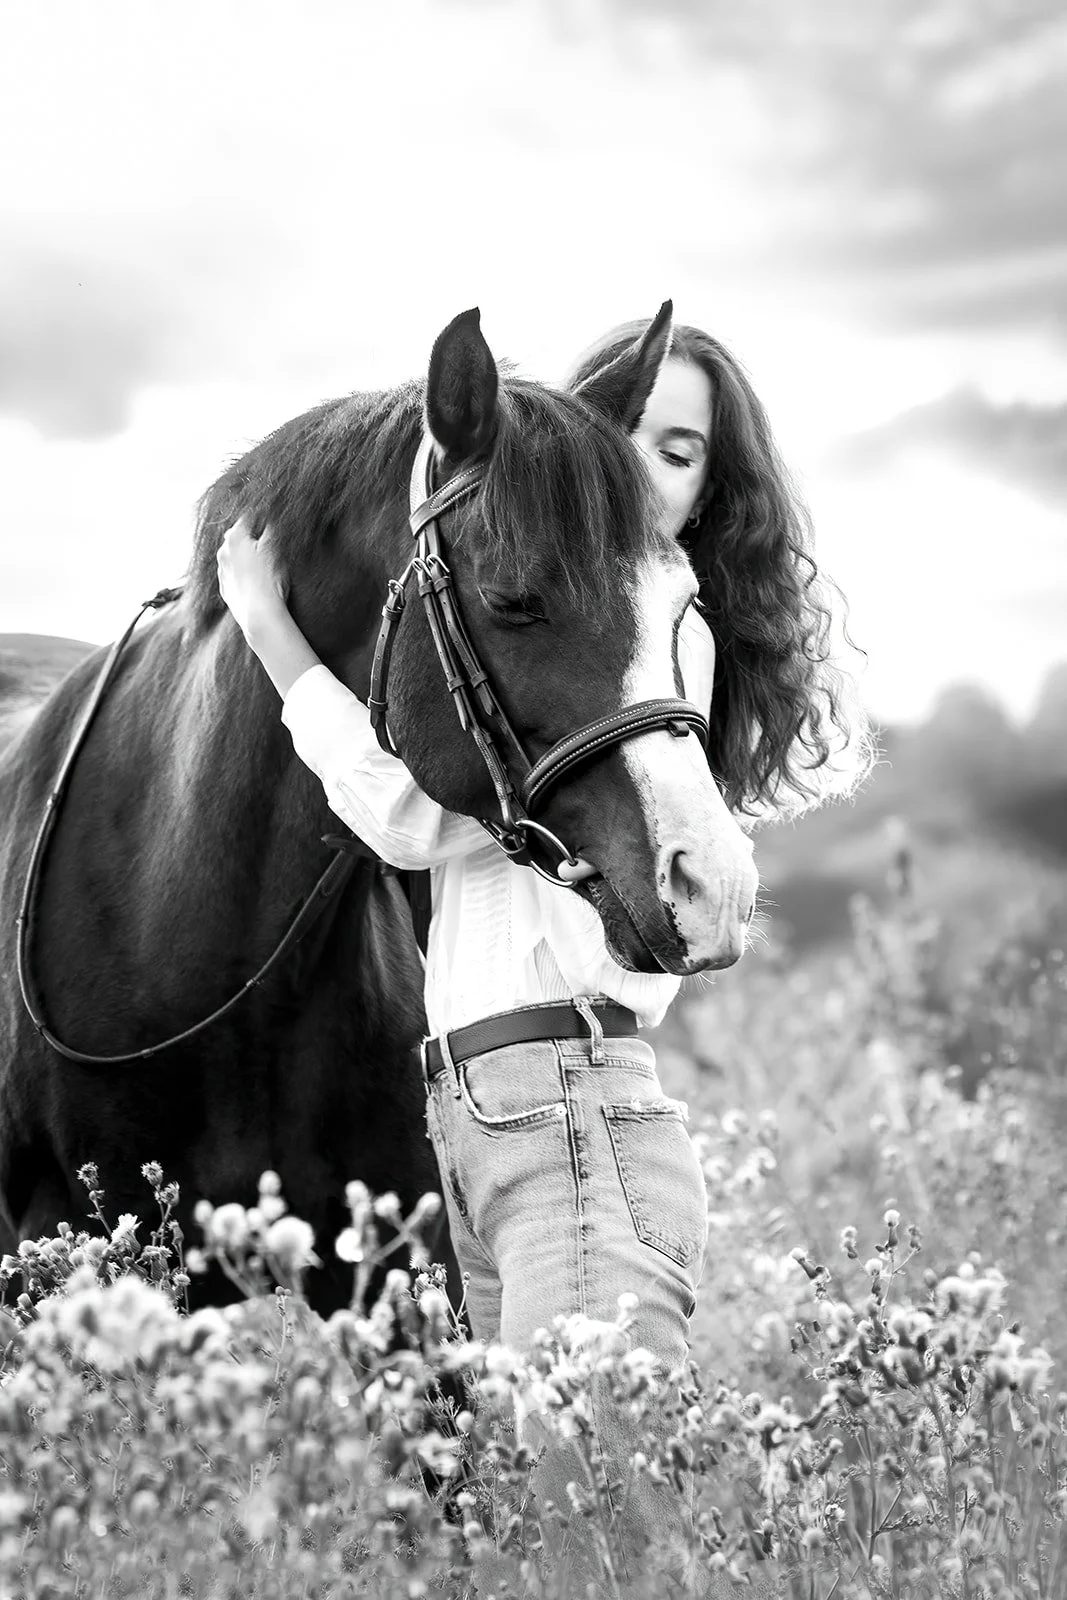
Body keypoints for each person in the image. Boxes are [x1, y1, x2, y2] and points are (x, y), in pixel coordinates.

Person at [216, 318, 863, 1587]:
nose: (647, 466)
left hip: (572, 1120)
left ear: (708, 486)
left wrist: (271, 632)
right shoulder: (541, 629)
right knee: (521, 1531)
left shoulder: (642, 649)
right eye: (629, 430)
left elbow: (405, 816)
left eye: (683, 451)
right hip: (484, 1125)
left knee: (587, 1539)